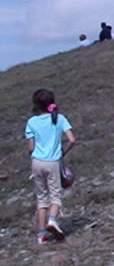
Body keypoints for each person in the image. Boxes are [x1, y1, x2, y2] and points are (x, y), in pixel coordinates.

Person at [26, 88, 76, 244]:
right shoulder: (59, 119)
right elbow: (72, 140)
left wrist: (34, 158)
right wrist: (63, 153)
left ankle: (41, 236)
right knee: (55, 196)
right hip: (52, 161)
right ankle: (52, 220)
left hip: (37, 162)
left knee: (41, 199)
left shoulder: (31, 122)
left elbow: (30, 147)